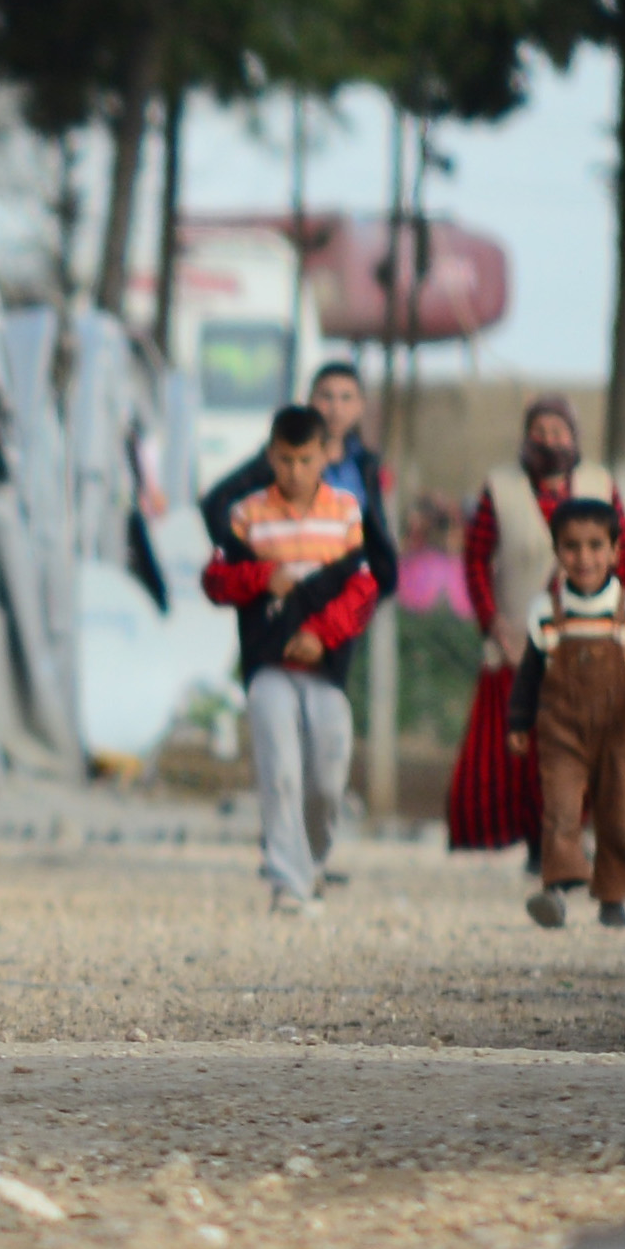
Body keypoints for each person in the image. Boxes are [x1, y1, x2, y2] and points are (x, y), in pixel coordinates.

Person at [200, 405, 380, 914]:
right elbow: (215, 581)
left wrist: (323, 635)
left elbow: (362, 590)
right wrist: (261, 578)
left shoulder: (345, 512)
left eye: (305, 460)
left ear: (325, 455)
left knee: (327, 773)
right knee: (279, 768)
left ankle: (314, 858)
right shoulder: (248, 514)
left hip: (325, 670)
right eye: (284, 460)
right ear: (270, 456)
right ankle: (286, 879)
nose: (294, 472)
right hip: (268, 667)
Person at [446, 394, 625, 862]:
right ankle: (541, 840)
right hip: (518, 641)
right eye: (541, 432)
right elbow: (475, 560)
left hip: (587, 638)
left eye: (559, 432)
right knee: (523, 750)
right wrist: (492, 623)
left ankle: (571, 833)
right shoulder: (500, 488)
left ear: (575, 437)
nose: (550, 442)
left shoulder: (599, 484)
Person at [509, 499, 625, 929]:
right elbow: (528, 673)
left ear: (615, 550)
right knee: (560, 808)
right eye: (572, 547)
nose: (584, 558)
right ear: (557, 551)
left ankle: (614, 897)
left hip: (617, 734)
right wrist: (518, 721)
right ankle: (558, 888)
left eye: (596, 546)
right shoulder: (547, 611)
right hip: (561, 731)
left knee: (616, 812)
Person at [200, 361, 399, 601]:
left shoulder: (364, 465)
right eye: (327, 396)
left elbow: (373, 529)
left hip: (341, 597)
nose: (336, 408)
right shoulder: (281, 459)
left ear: (360, 407)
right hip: (284, 596)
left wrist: (380, 578)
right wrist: (249, 564)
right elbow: (216, 503)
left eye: (346, 398)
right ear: (310, 399)